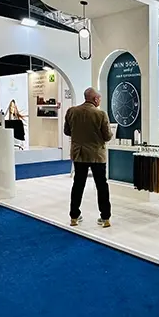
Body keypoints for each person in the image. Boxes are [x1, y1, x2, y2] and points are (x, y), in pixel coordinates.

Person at [64, 87, 113, 227]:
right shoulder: (101, 114)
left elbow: (67, 131)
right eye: (99, 99)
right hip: (97, 155)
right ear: (95, 99)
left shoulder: (71, 111)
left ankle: (74, 216)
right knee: (101, 186)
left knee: (78, 185)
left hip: (79, 154)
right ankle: (105, 218)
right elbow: (107, 136)